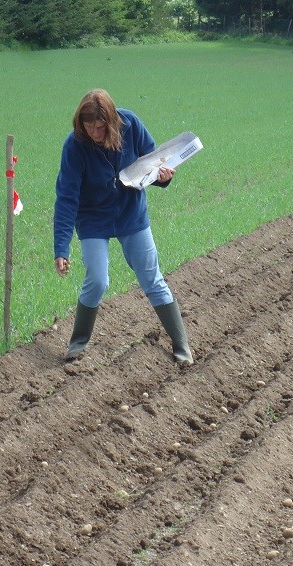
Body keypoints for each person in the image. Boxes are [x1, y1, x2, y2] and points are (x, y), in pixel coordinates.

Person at [53, 89, 194, 365]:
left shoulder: (130, 124)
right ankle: (78, 343)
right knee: (98, 279)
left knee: (151, 278)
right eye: (88, 126)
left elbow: (155, 161)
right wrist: (61, 247)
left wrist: (163, 177)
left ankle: (182, 346)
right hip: (93, 218)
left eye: (100, 126)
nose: (94, 132)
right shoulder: (74, 146)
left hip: (131, 214)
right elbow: (66, 197)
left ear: (112, 120)